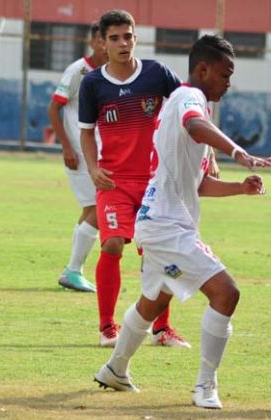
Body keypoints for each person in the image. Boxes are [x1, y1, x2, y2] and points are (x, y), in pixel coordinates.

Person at [94, 34, 270, 409]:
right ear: (203, 69)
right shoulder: (189, 98)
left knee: (154, 302)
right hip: (166, 226)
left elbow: (199, 183)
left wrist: (240, 187)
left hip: (160, 221)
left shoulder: (183, 103)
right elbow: (194, 124)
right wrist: (237, 150)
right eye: (225, 74)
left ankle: (115, 368)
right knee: (226, 293)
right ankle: (205, 386)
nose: (228, 83)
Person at [79, 9, 190, 348]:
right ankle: (107, 328)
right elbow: (86, 132)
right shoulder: (93, 83)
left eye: (128, 36)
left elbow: (190, 106)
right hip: (114, 181)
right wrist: (93, 168)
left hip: (156, 182)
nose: (123, 43)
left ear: (135, 38)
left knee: (157, 252)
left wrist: (208, 153)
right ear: (103, 43)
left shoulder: (157, 73)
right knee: (112, 244)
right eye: (114, 38)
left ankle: (162, 328)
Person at [47, 22, 107, 293]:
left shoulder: (112, 73)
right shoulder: (77, 70)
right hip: (81, 154)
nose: (105, 45)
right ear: (93, 42)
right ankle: (73, 269)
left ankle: (73, 270)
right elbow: (53, 109)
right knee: (98, 209)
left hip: (102, 154)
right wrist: (67, 147)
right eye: (102, 39)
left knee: (90, 210)